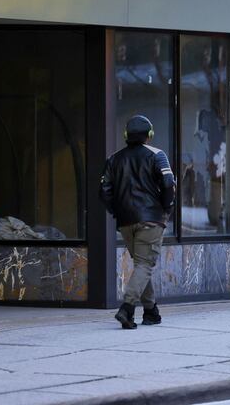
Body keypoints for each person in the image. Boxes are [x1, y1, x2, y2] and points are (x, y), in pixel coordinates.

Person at [99, 115, 175, 329]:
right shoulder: (157, 155)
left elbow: (104, 192)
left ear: (126, 135)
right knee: (144, 264)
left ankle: (151, 311)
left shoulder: (113, 158)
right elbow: (168, 182)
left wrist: (117, 211)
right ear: (149, 135)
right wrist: (166, 207)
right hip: (151, 218)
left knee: (142, 265)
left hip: (126, 221)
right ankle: (127, 308)